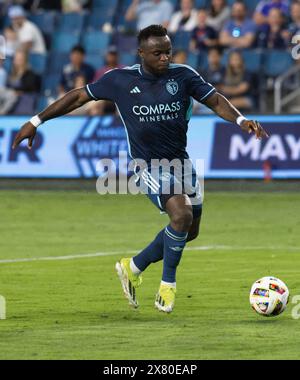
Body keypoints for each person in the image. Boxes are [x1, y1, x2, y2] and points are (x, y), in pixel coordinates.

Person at [12, 25, 268, 313]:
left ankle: (133, 266)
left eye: (168, 52)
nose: (164, 58)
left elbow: (215, 100)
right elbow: (77, 97)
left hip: (180, 162)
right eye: (157, 53)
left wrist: (241, 121)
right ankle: (167, 287)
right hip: (148, 165)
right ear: (141, 53)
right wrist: (35, 121)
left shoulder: (183, 76)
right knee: (181, 214)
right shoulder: (120, 80)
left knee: (189, 230)